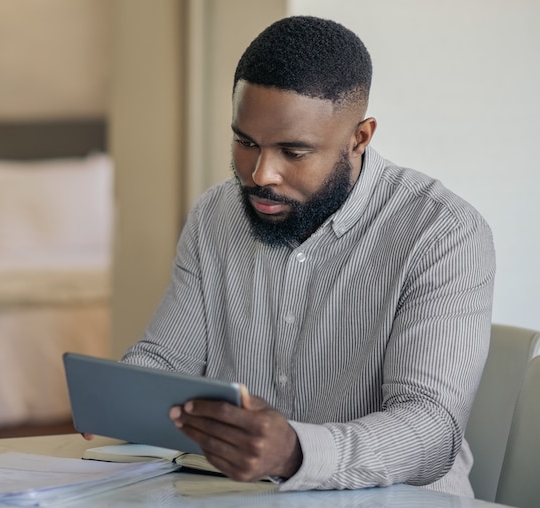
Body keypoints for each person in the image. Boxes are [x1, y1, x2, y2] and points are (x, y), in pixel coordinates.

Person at [118, 15, 495, 496]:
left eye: (292, 152)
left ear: (359, 138)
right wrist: (122, 398)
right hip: (239, 496)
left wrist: (294, 452)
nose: (260, 174)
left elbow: (430, 429)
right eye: (244, 142)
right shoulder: (217, 214)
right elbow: (168, 357)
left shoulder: (441, 233)